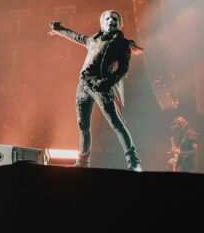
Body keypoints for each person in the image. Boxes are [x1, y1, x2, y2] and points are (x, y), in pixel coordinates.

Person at [49, 10, 142, 170]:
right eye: (108, 18)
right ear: (102, 22)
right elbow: (76, 37)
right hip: (83, 86)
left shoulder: (122, 44)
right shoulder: (93, 39)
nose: (111, 21)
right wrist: (59, 30)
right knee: (82, 125)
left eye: (115, 19)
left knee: (116, 124)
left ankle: (133, 162)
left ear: (119, 24)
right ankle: (83, 162)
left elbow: (123, 70)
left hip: (101, 87)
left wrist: (106, 83)